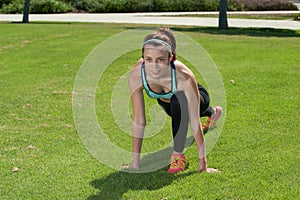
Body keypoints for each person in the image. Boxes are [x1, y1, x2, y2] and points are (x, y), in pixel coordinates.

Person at [127, 27, 222, 174]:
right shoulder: (136, 76)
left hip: (196, 96)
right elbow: (139, 120)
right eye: (149, 60)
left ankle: (178, 156)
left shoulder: (183, 75)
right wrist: (135, 163)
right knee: (177, 106)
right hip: (168, 104)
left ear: (170, 58)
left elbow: (194, 120)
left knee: (180, 101)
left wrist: (203, 164)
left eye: (160, 60)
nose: (154, 66)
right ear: (143, 57)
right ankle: (213, 112)